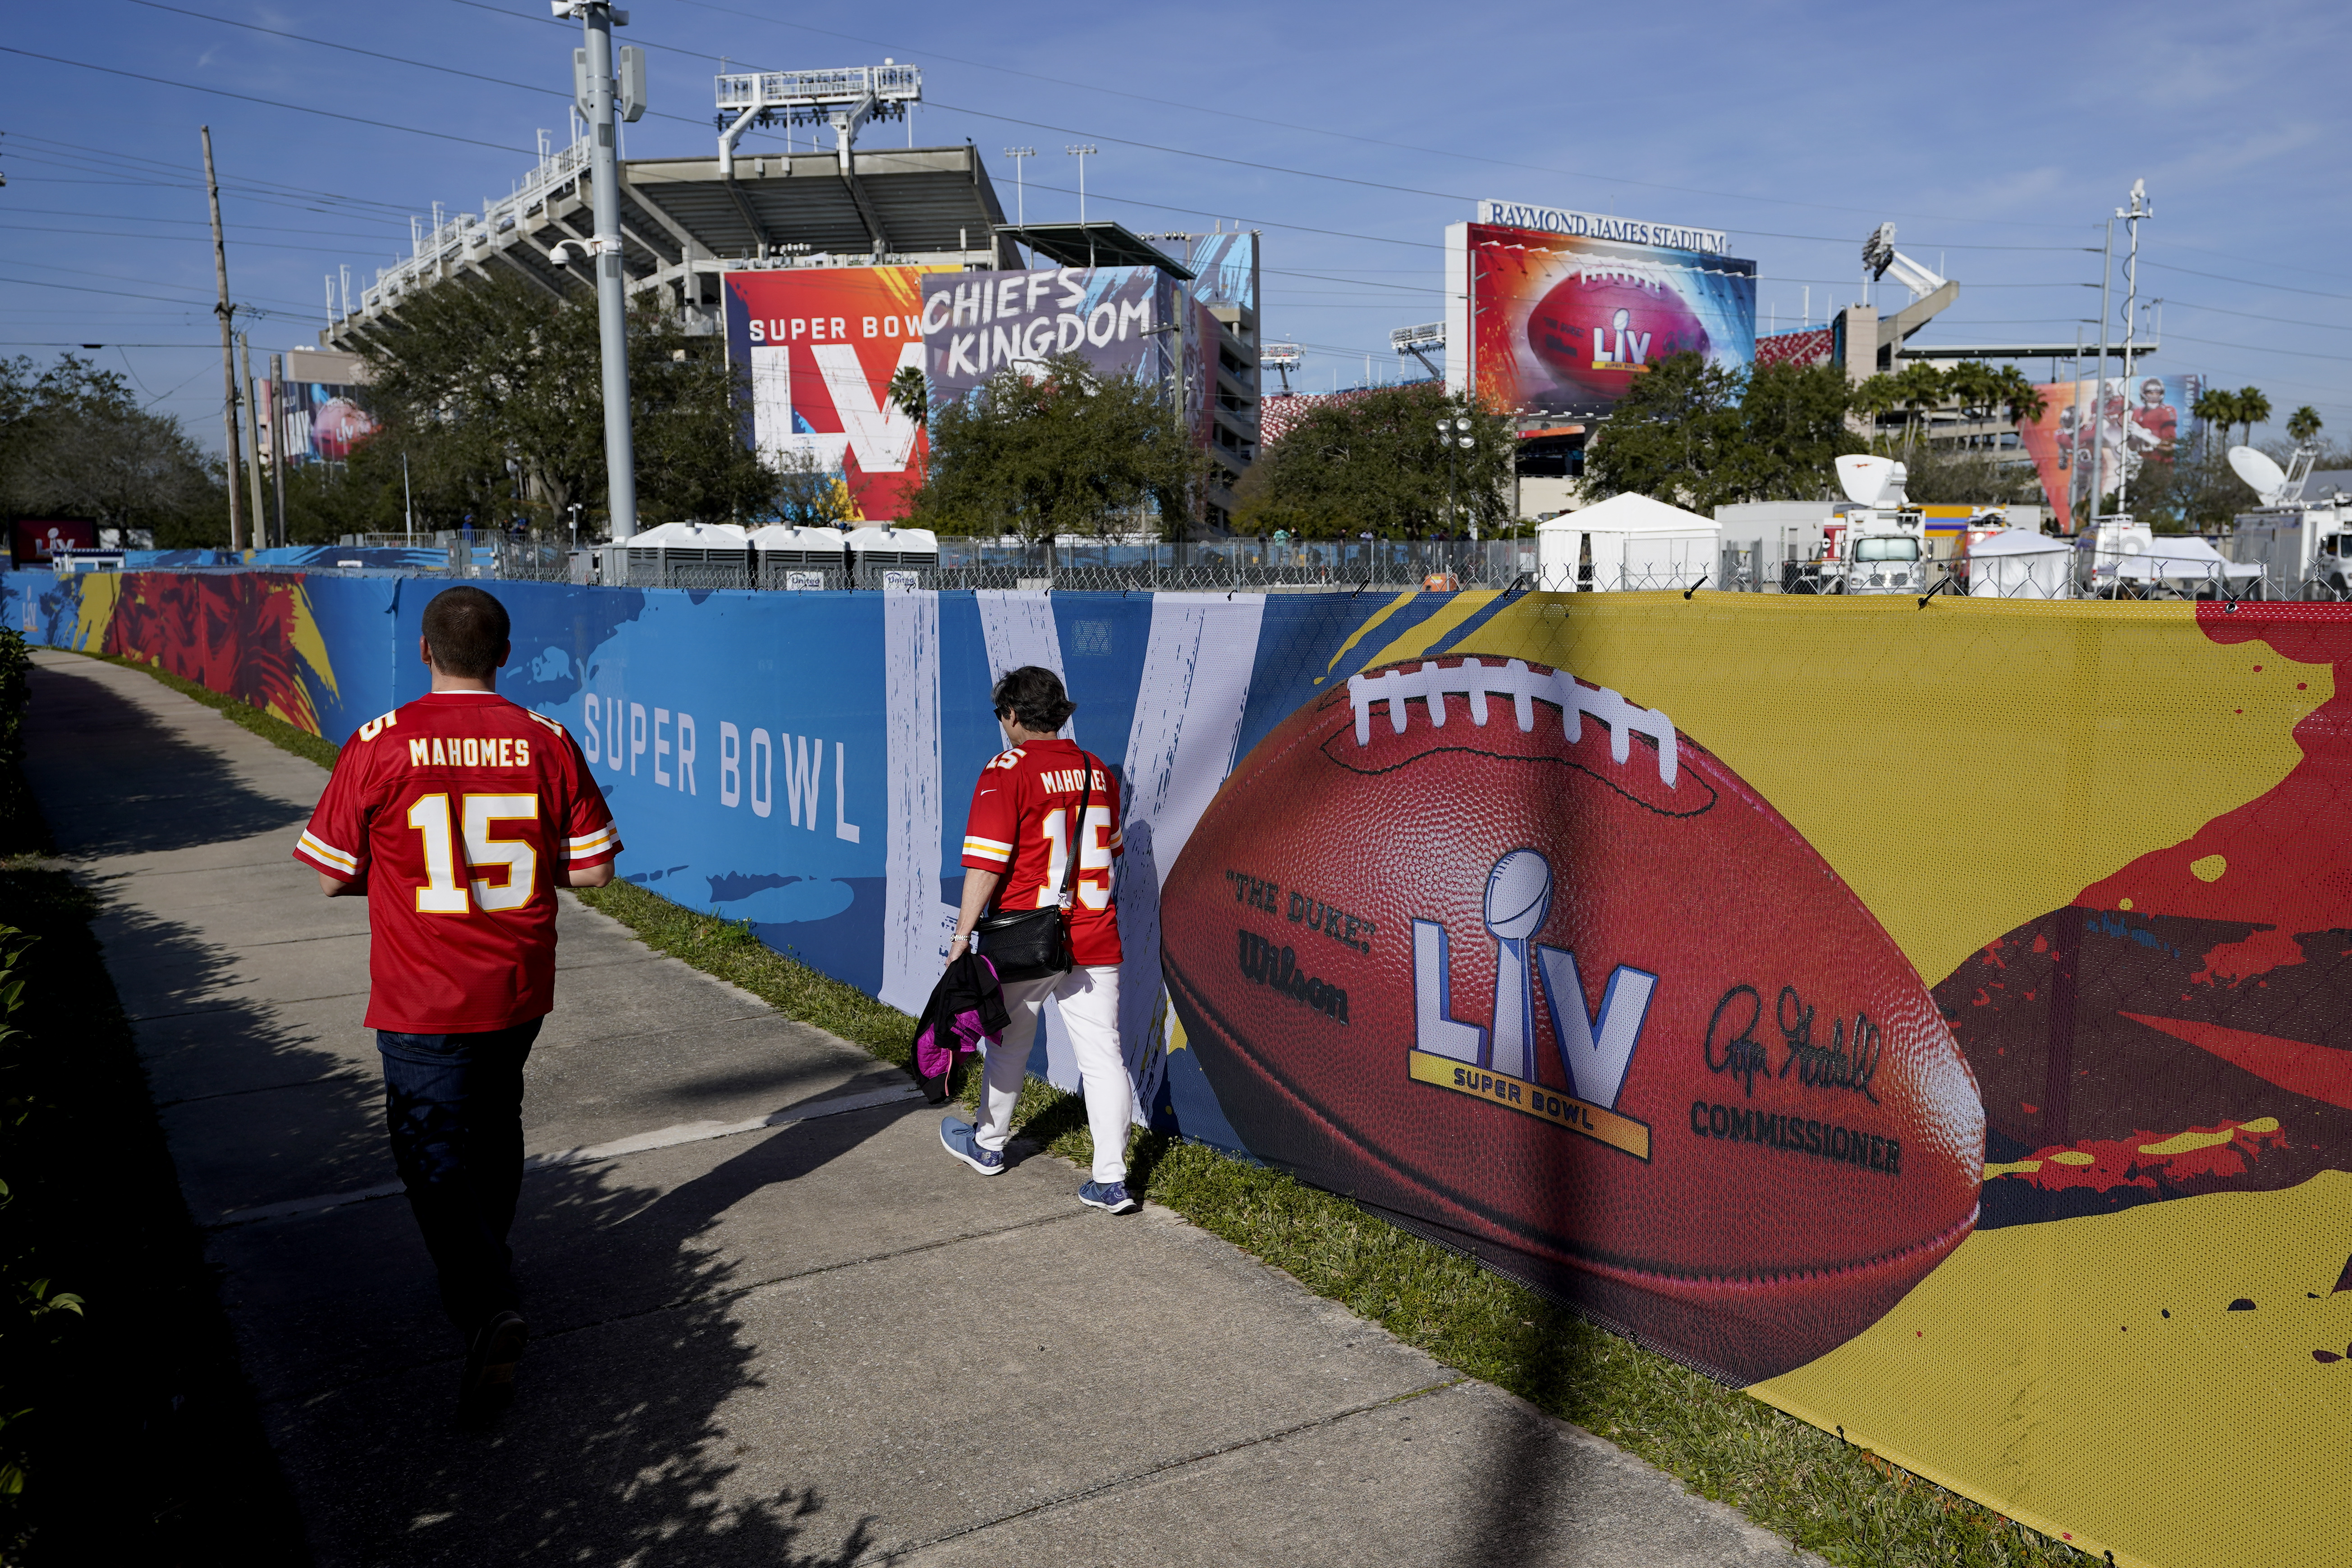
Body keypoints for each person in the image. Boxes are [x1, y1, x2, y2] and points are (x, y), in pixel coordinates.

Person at [292, 586, 620, 1423]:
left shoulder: (379, 742)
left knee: (428, 1149)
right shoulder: (547, 739)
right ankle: (489, 1262)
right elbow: (591, 871)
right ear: (504, 654)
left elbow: (330, 870)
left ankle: (483, 1301)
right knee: (495, 1117)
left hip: (420, 990)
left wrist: (400, 872)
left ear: (425, 652)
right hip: (516, 982)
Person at [939, 666, 1138, 1214]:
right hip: (1094, 934)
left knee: (1007, 1044)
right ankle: (1112, 1179)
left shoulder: (1007, 769)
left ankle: (988, 1145)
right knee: (1104, 1056)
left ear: (1013, 715)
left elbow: (985, 866)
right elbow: (1112, 849)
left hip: (1025, 937)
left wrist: (960, 937)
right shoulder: (1098, 769)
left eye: (1002, 714)